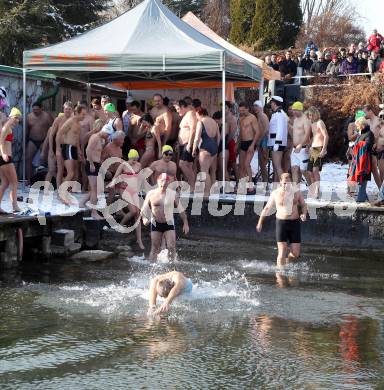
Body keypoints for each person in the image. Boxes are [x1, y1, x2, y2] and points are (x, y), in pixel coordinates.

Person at [256, 173, 307, 267]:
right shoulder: (275, 193)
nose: (286, 185)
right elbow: (267, 208)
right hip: (281, 223)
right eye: (284, 183)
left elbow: (303, 205)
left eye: (288, 183)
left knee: (295, 253)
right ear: (280, 182)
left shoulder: (297, 192)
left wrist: (303, 214)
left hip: (294, 223)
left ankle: (288, 263)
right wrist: (260, 222)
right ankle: (280, 275)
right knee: (282, 251)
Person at [141, 173, 189, 261]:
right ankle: (151, 267)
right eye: (162, 181)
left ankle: (172, 265)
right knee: (155, 248)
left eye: (166, 181)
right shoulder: (151, 194)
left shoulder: (172, 194)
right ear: (158, 181)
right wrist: (144, 218)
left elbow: (181, 209)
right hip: (155, 222)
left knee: (171, 246)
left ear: (168, 183)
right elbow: (144, 209)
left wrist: (185, 223)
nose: (164, 183)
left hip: (169, 222)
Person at [108, 149, 144, 249]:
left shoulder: (139, 165)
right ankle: (121, 225)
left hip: (135, 190)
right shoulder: (123, 165)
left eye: (135, 159)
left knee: (138, 214)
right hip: (124, 190)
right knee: (133, 211)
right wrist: (112, 184)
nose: (134, 162)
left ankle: (139, 240)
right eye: (132, 160)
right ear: (128, 158)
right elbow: (115, 176)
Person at [56, 104, 87, 204]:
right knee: (71, 173)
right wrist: (57, 148)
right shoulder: (70, 122)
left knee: (73, 175)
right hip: (67, 147)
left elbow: (76, 138)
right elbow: (59, 133)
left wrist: (78, 150)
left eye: (85, 115)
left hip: (73, 148)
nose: (84, 117)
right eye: (82, 114)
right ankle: (61, 194)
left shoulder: (78, 123)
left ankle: (66, 194)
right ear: (77, 113)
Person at [79, 129, 110, 219]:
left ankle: (82, 202)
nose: (108, 137)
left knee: (96, 188)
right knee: (94, 189)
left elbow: (98, 155)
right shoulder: (95, 137)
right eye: (108, 134)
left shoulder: (101, 139)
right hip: (91, 164)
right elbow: (88, 150)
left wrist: (103, 168)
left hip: (96, 164)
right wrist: (92, 164)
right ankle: (94, 212)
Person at [193, 107, 220, 194]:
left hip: (205, 147)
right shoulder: (214, 122)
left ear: (199, 114)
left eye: (196, 115)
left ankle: (207, 192)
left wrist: (194, 149)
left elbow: (197, 138)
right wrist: (216, 147)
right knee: (213, 170)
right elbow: (218, 137)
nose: (196, 117)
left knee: (204, 171)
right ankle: (214, 190)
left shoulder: (200, 122)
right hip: (214, 147)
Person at [46, 102, 73, 187]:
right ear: (63, 109)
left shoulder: (74, 120)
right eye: (66, 109)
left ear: (72, 109)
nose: (67, 111)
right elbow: (51, 134)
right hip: (58, 147)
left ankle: (64, 187)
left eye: (69, 109)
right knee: (59, 169)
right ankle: (58, 188)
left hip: (69, 147)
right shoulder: (58, 119)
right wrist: (51, 149)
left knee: (71, 171)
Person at [0, 108, 22, 213]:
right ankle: (15, 206)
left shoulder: (8, 127)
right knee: (14, 182)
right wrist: (4, 154)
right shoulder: (6, 128)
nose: (17, 120)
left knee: (5, 183)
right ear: (10, 117)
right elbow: (0, 142)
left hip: (4, 158)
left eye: (19, 119)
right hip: (5, 158)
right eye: (16, 118)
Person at [26, 101, 53, 183]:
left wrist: (50, 142)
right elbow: (27, 130)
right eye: (34, 110)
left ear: (41, 108)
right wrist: (26, 140)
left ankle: (49, 179)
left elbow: (53, 128)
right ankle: (29, 179)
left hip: (44, 140)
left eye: (37, 109)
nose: (35, 111)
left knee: (47, 160)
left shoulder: (47, 116)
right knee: (28, 159)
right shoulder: (29, 116)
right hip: (32, 140)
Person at [348, 117, 374, 202]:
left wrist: (358, 145)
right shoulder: (360, 134)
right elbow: (357, 144)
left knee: (362, 179)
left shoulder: (369, 133)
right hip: (357, 160)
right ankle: (363, 197)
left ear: (362, 125)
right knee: (359, 180)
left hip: (364, 161)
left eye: (358, 126)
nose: (357, 128)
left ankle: (361, 199)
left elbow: (368, 145)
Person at [306, 106, 329, 198]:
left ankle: (317, 191)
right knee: (309, 172)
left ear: (315, 114)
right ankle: (313, 189)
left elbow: (326, 136)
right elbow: (315, 136)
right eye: (309, 115)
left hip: (319, 148)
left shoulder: (320, 122)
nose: (310, 117)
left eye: (311, 115)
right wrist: (308, 145)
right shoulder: (313, 124)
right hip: (313, 148)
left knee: (315, 170)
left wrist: (324, 149)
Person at [174, 99, 197, 189]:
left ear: (183, 106)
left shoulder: (190, 114)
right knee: (188, 166)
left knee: (182, 164)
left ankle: (192, 186)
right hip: (183, 144)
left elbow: (193, 129)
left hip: (188, 144)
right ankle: (191, 186)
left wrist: (189, 145)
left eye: (178, 109)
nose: (177, 111)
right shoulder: (186, 115)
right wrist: (178, 143)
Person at [238, 102, 260, 193]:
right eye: (240, 110)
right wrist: (238, 144)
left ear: (247, 109)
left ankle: (251, 185)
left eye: (243, 110)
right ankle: (242, 185)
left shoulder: (252, 118)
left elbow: (258, 132)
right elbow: (241, 133)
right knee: (241, 165)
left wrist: (252, 145)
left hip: (250, 142)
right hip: (243, 143)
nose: (241, 112)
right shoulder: (241, 118)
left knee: (247, 164)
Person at [290, 101, 312, 185]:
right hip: (294, 149)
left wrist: (301, 145)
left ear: (300, 110)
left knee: (304, 170)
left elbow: (307, 134)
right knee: (294, 169)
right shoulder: (295, 120)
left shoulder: (306, 119)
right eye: (293, 110)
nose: (293, 112)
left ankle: (311, 187)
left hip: (302, 149)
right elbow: (295, 133)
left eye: (295, 110)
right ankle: (296, 190)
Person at [268, 96, 288, 182]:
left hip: (277, 143)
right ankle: (276, 187)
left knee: (278, 166)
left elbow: (280, 130)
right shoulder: (277, 113)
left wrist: (277, 142)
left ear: (275, 103)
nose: (271, 104)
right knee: (276, 167)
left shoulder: (280, 114)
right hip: (274, 143)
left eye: (271, 103)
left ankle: (286, 186)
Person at [363, 104, 381, 188]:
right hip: (370, 148)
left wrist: (377, 143)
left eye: (365, 112)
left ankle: (381, 191)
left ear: (370, 111)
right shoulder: (368, 122)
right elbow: (357, 122)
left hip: (380, 148)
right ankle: (381, 191)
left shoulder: (378, 121)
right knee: (373, 169)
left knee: (379, 170)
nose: (364, 115)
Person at [253, 101, 270, 183]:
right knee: (261, 162)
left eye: (256, 106)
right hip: (262, 140)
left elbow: (266, 129)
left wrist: (260, 139)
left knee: (263, 162)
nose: (255, 108)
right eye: (254, 106)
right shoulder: (259, 116)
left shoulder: (263, 116)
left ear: (260, 107)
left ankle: (265, 181)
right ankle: (264, 180)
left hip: (264, 140)